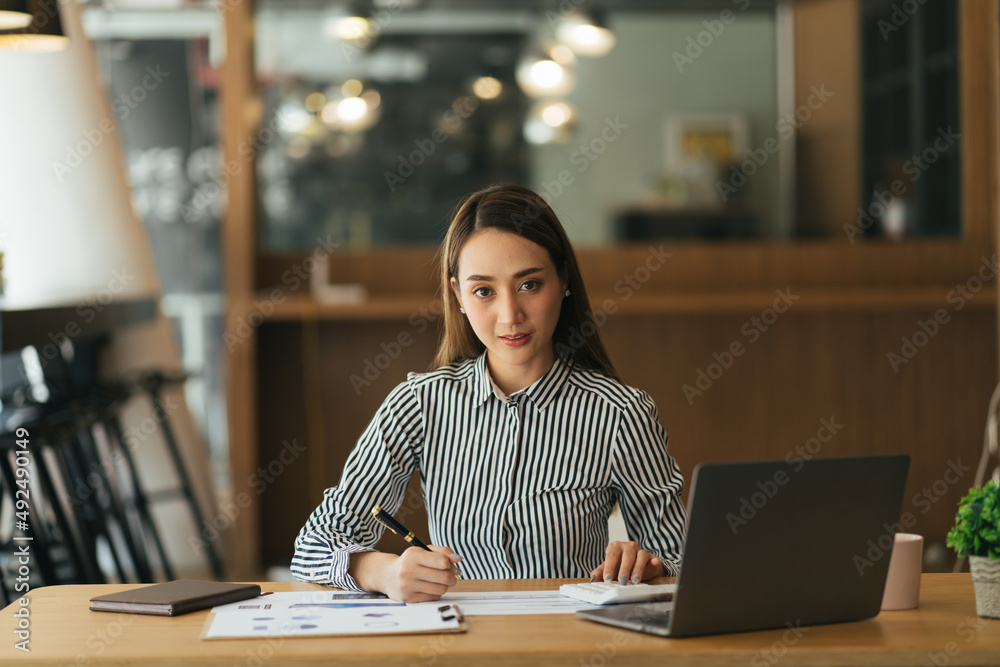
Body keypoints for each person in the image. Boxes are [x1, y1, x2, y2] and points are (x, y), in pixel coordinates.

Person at [291, 184, 687, 602]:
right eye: (484, 291)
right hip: (456, 641)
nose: (509, 315)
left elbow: (679, 556)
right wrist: (382, 571)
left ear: (564, 280)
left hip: (567, 643)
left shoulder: (621, 412)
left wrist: (647, 564)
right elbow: (313, 547)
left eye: (530, 285)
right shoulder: (419, 404)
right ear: (458, 295)